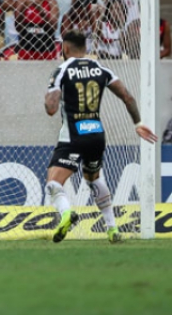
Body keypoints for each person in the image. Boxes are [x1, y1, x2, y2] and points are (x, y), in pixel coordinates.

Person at [44, 30, 158, 244]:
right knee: (94, 179)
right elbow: (127, 97)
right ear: (85, 48)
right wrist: (138, 124)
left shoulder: (62, 70)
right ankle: (112, 228)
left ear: (65, 48)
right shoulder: (101, 69)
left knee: (53, 183)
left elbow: (51, 109)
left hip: (72, 137)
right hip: (96, 135)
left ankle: (67, 213)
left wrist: (52, 92)